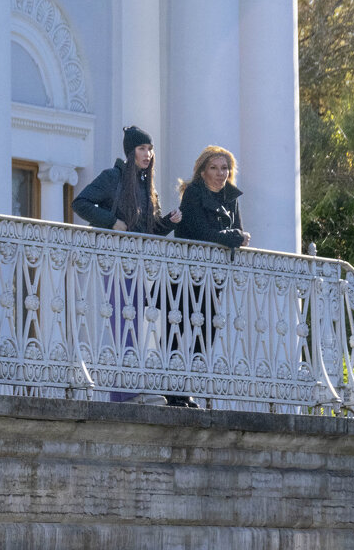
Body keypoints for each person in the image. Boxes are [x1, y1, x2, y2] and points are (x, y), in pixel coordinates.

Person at [72, 126, 183, 405]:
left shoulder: (146, 187)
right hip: (115, 262)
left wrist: (168, 222)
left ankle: (126, 392)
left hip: (138, 266)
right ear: (130, 152)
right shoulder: (113, 177)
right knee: (124, 324)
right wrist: (111, 221)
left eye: (150, 148)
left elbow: (148, 230)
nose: (148, 153)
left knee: (132, 324)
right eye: (142, 148)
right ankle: (126, 392)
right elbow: (80, 202)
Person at [170, 145, 250, 408]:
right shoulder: (193, 193)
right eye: (214, 168)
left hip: (214, 278)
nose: (220, 173)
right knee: (179, 330)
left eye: (224, 168)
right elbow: (202, 232)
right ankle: (173, 391)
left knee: (204, 334)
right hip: (187, 274)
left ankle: (189, 390)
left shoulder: (231, 197)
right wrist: (234, 238)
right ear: (203, 171)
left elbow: (237, 231)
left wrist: (235, 238)